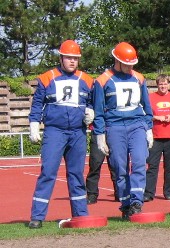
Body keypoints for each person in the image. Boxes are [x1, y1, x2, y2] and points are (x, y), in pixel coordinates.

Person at [27, 40, 93, 229]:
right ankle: (37, 216)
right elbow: (38, 103)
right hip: (54, 131)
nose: (72, 61)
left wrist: (90, 112)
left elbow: (92, 102)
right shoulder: (47, 78)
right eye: (69, 58)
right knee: (48, 172)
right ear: (61, 58)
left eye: (76, 58)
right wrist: (34, 123)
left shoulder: (87, 80)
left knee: (76, 175)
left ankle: (80, 214)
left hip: (77, 132)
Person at [93, 41, 154, 219]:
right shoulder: (103, 81)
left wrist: (148, 128)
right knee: (119, 167)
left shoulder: (139, 78)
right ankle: (126, 204)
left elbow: (146, 105)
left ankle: (136, 201)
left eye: (132, 65)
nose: (130, 68)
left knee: (139, 161)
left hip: (137, 125)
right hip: (115, 127)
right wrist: (100, 135)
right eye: (127, 64)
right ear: (117, 61)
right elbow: (98, 110)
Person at [144, 74, 170, 202]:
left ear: (168, 84)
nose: (163, 86)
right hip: (156, 137)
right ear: (157, 85)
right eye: (160, 84)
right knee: (152, 166)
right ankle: (149, 193)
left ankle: (168, 192)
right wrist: (156, 118)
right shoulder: (150, 97)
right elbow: (146, 114)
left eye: (165, 84)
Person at [85, 126, 119, 204]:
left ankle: (119, 193)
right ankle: (92, 194)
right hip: (98, 132)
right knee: (95, 165)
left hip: (114, 131)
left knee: (116, 165)